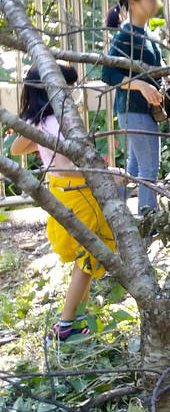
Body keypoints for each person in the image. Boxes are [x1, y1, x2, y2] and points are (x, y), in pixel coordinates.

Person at [9, 64, 116, 342]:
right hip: (77, 190)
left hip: (61, 190)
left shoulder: (41, 121)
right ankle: (65, 325)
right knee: (92, 252)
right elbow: (68, 167)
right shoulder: (56, 123)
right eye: (67, 87)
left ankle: (80, 315)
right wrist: (107, 176)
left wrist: (43, 144)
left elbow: (16, 148)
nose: (72, 93)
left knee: (87, 253)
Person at [101, 0, 165, 215]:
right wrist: (139, 85)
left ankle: (109, 214)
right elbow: (107, 74)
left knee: (135, 167)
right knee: (149, 167)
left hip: (143, 111)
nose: (155, 4)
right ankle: (149, 221)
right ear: (133, 3)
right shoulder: (125, 35)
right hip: (134, 110)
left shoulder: (145, 34)